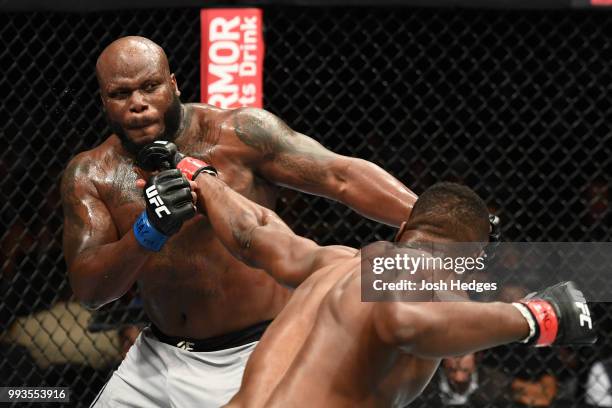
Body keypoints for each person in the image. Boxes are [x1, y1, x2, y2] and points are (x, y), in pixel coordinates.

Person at [60, 36, 418, 406]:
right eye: (121, 94)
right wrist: (149, 230)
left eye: (150, 87)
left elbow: (340, 176)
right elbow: (90, 292)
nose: (138, 104)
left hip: (253, 352)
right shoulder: (91, 174)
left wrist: (438, 221)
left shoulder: (238, 135)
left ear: (174, 85)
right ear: (104, 101)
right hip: (156, 356)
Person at [136, 149, 595, 407]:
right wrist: (535, 317)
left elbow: (256, 234)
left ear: (401, 228)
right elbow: (403, 322)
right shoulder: (420, 277)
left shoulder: (335, 263)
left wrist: (202, 177)